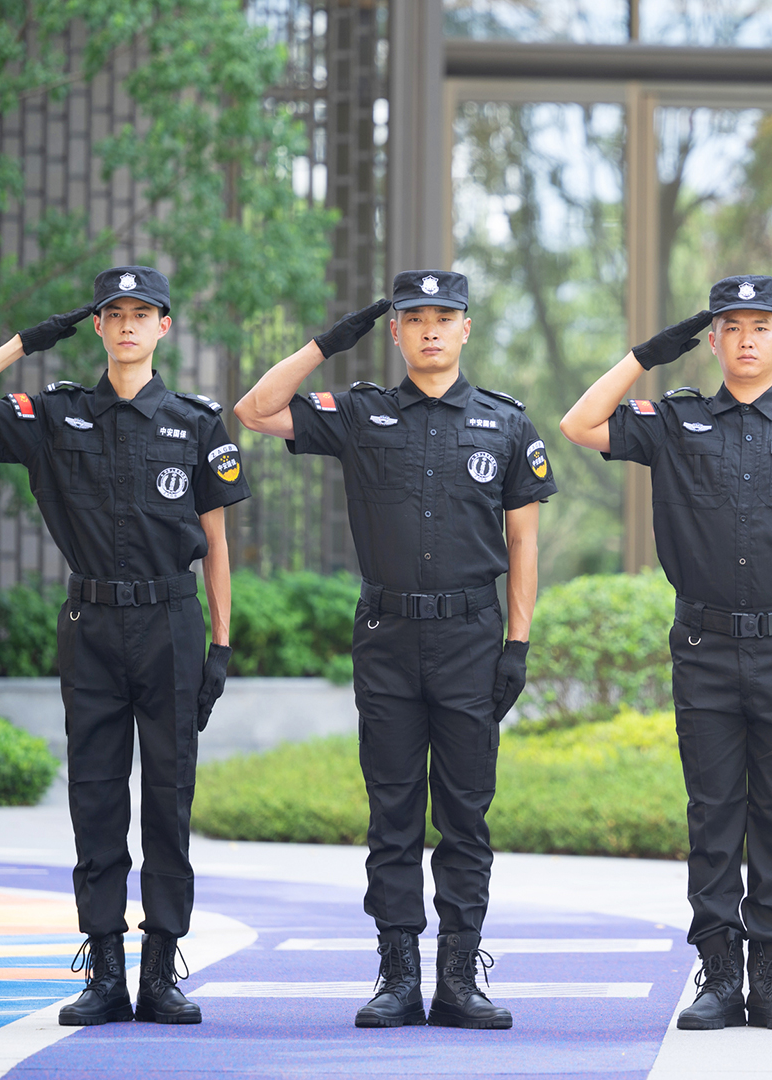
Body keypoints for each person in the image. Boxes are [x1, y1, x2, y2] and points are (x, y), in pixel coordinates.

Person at [233, 270, 555, 1030]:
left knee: (466, 814)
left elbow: (523, 542)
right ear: (396, 331)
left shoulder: (505, 424)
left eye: (445, 317)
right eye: (415, 318)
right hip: (386, 637)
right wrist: (328, 342)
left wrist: (517, 643)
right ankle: (399, 977)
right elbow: (254, 410)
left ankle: (459, 980)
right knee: (393, 811)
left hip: (471, 638)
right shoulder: (361, 413)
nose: (431, 329)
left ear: (466, 328)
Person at [0, 267, 247, 1026]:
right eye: (115, 314)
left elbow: (216, 545)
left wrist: (222, 646)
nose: (128, 325)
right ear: (98, 326)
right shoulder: (56, 414)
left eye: (143, 313)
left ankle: (160, 971)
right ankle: (105, 970)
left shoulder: (196, 423)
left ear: (164, 326)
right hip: (92, 627)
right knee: (96, 796)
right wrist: (25, 342)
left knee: (169, 798)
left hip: (171, 624)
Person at [558, 276, 772, 1032]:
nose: (747, 340)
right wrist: (644, 356)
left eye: (761, 327)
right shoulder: (674, 421)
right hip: (705, 647)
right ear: (715, 340)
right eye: (732, 327)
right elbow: (579, 423)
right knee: (714, 815)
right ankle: (720, 977)